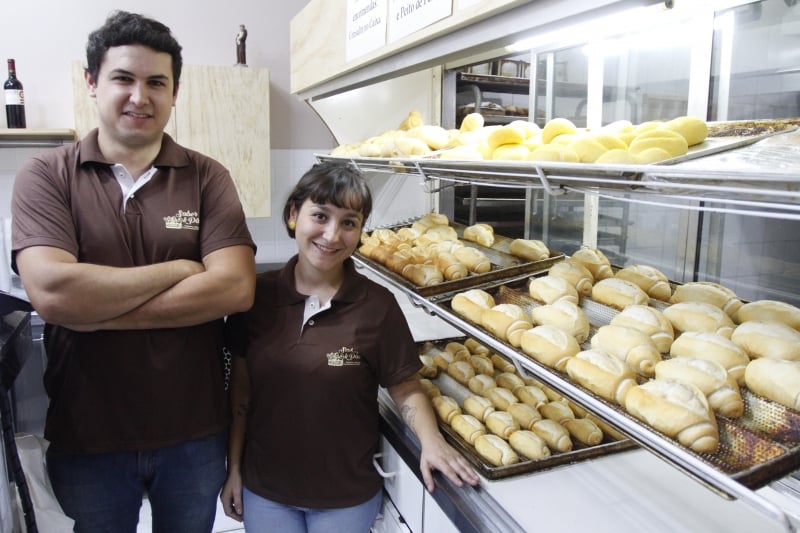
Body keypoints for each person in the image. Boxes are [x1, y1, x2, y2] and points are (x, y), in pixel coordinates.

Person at [11, 10, 256, 532]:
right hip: (88, 437)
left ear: (175, 92)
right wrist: (180, 270)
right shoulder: (47, 176)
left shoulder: (207, 176)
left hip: (193, 436)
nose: (139, 96)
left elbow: (235, 287)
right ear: (92, 82)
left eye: (156, 82)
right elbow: (53, 293)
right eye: (123, 78)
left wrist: (94, 313)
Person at [220, 161, 479, 532]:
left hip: (345, 498)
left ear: (360, 231)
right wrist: (234, 470)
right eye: (320, 216)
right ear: (294, 214)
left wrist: (432, 441)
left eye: (348, 223)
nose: (331, 235)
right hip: (266, 491)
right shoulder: (256, 297)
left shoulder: (378, 306)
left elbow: (405, 387)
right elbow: (241, 397)